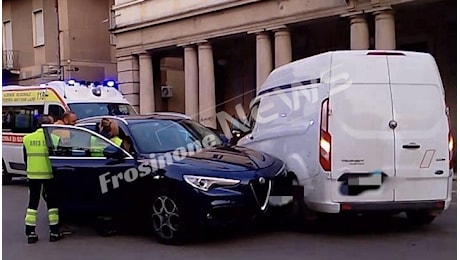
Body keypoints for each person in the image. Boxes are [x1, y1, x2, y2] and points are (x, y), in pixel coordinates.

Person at [23, 115, 64, 243]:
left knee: (33, 204)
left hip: (33, 175)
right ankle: (54, 232)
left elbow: (25, 158)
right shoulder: (55, 138)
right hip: (49, 175)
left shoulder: (27, 139)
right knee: (52, 204)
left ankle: (30, 233)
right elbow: (60, 158)